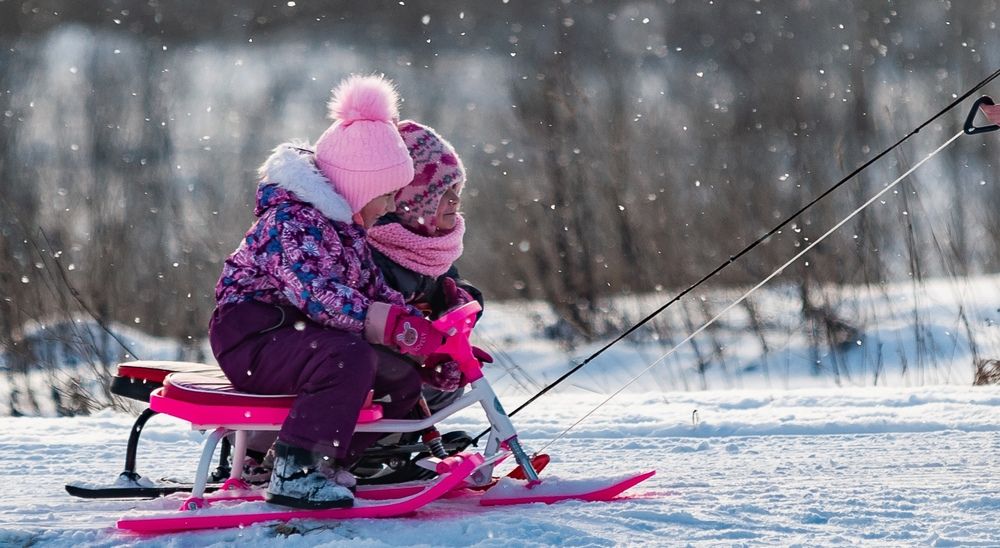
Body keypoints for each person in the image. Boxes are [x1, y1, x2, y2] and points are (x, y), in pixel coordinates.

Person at [208, 75, 451, 510]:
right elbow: (318, 296)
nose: (394, 205)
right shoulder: (292, 221)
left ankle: (330, 463)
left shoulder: (347, 229)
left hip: (300, 336)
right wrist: (391, 325)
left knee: (399, 378)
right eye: (389, 193)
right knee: (348, 357)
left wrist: (428, 344)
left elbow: (373, 291)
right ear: (360, 184)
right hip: (254, 336)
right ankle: (296, 470)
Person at [367, 120, 491, 412]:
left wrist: (462, 299)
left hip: (414, 357)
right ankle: (367, 445)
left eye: (457, 188)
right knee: (408, 383)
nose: (456, 200)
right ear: (412, 200)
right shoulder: (374, 248)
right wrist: (425, 349)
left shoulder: (431, 244)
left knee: (450, 386)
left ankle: (400, 439)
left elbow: (450, 283)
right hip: (380, 366)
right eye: (443, 193)